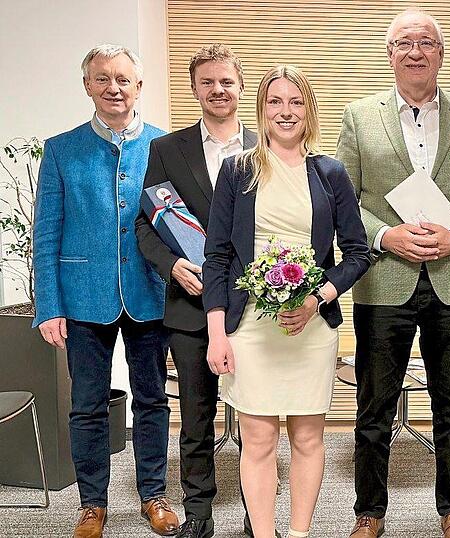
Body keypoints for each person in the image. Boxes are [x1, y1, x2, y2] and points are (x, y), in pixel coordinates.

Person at [335, 9, 450, 538]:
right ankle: (370, 513)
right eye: (404, 43)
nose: (415, 51)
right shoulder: (359, 116)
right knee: (375, 406)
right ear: (389, 55)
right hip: (384, 279)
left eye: (426, 42)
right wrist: (386, 236)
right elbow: (343, 200)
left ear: (440, 52)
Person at [202, 65, 371, 538]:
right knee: (256, 438)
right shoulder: (238, 171)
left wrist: (317, 297)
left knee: (307, 436)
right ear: (262, 108)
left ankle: (298, 533)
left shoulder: (330, 173)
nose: (286, 111)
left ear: (309, 109)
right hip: (250, 327)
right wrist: (217, 332)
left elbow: (358, 253)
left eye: (295, 102)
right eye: (275, 101)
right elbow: (216, 256)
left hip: (310, 327)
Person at [32, 44, 179, 538]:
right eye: (102, 79)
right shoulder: (62, 149)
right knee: (87, 404)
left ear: (139, 87)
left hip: (149, 291)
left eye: (123, 79)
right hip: (82, 296)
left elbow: (178, 225)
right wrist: (48, 305)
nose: (113, 88)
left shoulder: (165, 146)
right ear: (88, 86)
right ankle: (92, 504)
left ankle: (153, 495)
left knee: (153, 399)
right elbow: (46, 232)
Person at [135, 44, 259, 538]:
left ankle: (259, 515)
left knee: (257, 419)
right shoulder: (166, 149)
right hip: (188, 304)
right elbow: (145, 225)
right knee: (195, 418)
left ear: (241, 86)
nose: (217, 90)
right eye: (207, 82)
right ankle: (200, 516)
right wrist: (173, 266)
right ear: (194, 89)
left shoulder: (266, 146)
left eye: (226, 81)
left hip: (256, 305)